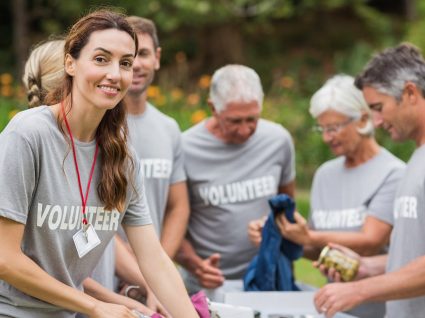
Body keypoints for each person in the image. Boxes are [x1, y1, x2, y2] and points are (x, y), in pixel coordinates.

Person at [0, 9, 198, 318]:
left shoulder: (124, 156)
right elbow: (5, 259)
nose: (115, 74)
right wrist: (95, 306)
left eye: (125, 63)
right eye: (101, 59)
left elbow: (154, 259)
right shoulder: (28, 135)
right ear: (71, 62)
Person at [249, 74, 404, 318]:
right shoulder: (325, 175)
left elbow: (371, 239)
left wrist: (309, 235)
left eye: (333, 128)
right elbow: (316, 249)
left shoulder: (393, 173)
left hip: (380, 311)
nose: (326, 137)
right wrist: (280, 234)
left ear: (363, 119)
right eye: (321, 128)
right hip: (334, 310)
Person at [22, 39, 157, 317]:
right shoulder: (28, 141)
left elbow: (94, 228)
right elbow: (36, 261)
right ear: (69, 73)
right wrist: (103, 301)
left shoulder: (113, 150)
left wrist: (149, 282)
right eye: (99, 61)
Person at [313, 43, 425, 318]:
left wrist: (361, 290)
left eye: (379, 107)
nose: (375, 121)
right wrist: (366, 267)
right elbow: (411, 258)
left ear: (410, 93)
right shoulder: (416, 159)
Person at [90, 15, 189, 315]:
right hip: (98, 274)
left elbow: (179, 206)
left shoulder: (169, 128)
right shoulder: (97, 128)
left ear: (157, 58)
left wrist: (157, 264)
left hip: (152, 272)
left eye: (143, 55)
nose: (138, 66)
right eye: (130, 58)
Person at [176, 64, 296, 299]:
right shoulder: (185, 148)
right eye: (234, 121)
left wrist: (274, 227)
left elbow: (287, 207)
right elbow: (170, 221)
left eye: (252, 119)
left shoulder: (278, 140)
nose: (244, 130)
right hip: (206, 286)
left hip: (267, 280)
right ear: (213, 108)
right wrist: (195, 264)